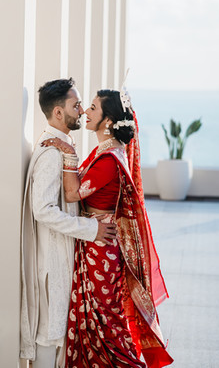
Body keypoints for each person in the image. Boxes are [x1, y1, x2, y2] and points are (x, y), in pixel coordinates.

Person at [42, 88, 174, 368]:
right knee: (101, 317)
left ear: (109, 121)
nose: (85, 112)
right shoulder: (106, 151)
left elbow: (73, 194)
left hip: (100, 247)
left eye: (92, 108)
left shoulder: (110, 160)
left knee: (105, 320)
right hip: (97, 241)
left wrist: (66, 153)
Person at [20, 78, 117, 368]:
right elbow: (43, 210)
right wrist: (92, 229)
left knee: (57, 338)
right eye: (76, 105)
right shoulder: (51, 154)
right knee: (49, 339)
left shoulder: (61, 147)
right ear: (59, 113)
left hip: (63, 257)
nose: (82, 111)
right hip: (53, 263)